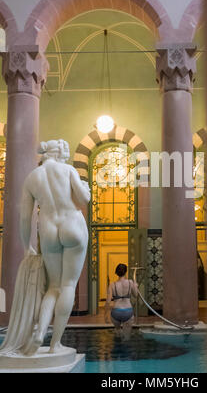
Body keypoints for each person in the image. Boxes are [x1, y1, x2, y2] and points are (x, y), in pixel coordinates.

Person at [20, 139, 90, 354]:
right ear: (58, 153)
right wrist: (85, 188)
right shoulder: (68, 170)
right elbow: (84, 199)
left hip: (48, 229)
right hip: (72, 224)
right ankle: (55, 343)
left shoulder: (32, 177)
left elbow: (25, 217)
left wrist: (27, 246)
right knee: (68, 285)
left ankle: (40, 332)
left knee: (53, 286)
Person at [105, 264, 138, 340]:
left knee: (117, 334)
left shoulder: (112, 285)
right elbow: (136, 295)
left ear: (116, 273)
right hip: (128, 311)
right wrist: (135, 286)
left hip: (116, 312)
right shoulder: (130, 282)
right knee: (127, 338)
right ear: (126, 272)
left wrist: (105, 316)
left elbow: (108, 301)